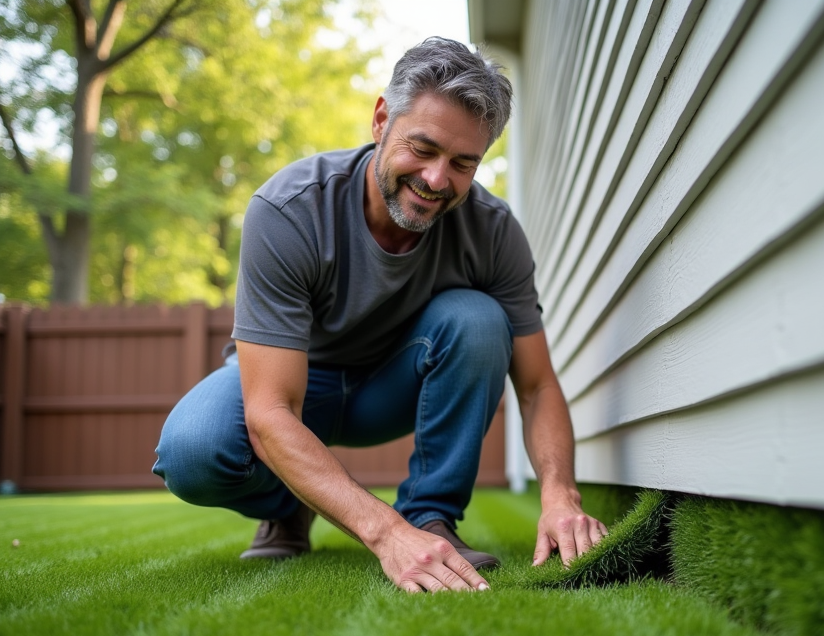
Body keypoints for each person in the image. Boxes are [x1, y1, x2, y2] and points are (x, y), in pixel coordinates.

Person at [153, 38, 607, 593]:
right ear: (380, 119)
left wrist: (561, 496)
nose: (438, 180)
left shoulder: (493, 230)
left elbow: (536, 387)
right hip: (299, 391)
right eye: (423, 148)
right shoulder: (289, 211)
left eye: (463, 163)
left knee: (480, 318)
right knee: (192, 451)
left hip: (394, 385)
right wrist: (383, 533)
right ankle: (294, 507)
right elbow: (270, 411)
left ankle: (430, 517)